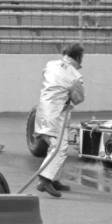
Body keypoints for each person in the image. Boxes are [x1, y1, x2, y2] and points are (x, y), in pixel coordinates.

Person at [34, 44, 85, 198]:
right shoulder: (76, 76)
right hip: (56, 116)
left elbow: (46, 76)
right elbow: (79, 98)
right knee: (59, 148)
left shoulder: (50, 64)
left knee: (59, 146)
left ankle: (54, 179)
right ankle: (44, 179)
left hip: (43, 110)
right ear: (78, 57)